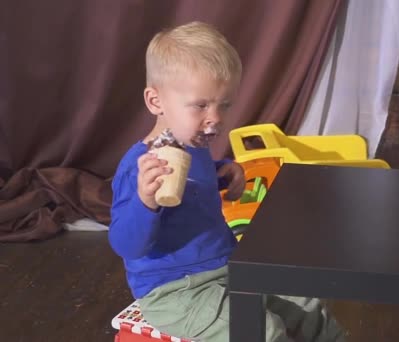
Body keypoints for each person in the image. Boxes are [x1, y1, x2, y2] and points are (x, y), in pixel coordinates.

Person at [109, 21, 345, 341]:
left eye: (225, 105)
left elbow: (196, 185)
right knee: (262, 331)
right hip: (174, 291)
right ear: (155, 102)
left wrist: (226, 170)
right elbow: (126, 245)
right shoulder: (140, 168)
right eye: (201, 105)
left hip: (228, 268)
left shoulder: (195, 147)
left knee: (308, 307)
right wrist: (145, 202)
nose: (215, 118)